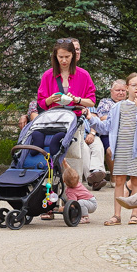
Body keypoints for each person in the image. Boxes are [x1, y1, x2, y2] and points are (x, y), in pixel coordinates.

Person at [87, 72, 137, 226]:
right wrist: (91, 118)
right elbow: (106, 127)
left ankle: (134, 214)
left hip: (136, 149)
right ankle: (116, 216)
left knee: (136, 180)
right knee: (119, 181)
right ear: (127, 87)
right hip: (121, 148)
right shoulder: (117, 107)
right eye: (134, 85)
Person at [36, 39, 96, 190]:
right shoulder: (48, 75)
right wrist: (50, 99)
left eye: (67, 57)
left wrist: (78, 100)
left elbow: (92, 101)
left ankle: (74, 200)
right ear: (55, 56)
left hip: (74, 121)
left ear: (73, 55)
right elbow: (41, 103)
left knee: (74, 158)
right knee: (51, 158)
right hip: (53, 122)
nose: (64, 60)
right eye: (60, 57)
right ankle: (49, 201)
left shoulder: (83, 75)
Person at [95, 79, 128, 172]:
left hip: (127, 134)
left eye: (123, 90)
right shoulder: (105, 102)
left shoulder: (130, 103)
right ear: (111, 91)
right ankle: (114, 177)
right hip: (108, 134)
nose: (121, 93)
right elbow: (103, 118)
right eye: (118, 90)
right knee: (110, 150)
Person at [62, 160, 97, 225]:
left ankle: (85, 217)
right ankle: (82, 214)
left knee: (79, 203)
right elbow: (70, 171)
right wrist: (65, 163)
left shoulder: (70, 191)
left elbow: (72, 204)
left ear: (64, 181)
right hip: (92, 201)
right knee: (80, 202)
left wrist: (64, 209)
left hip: (91, 204)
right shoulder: (76, 182)